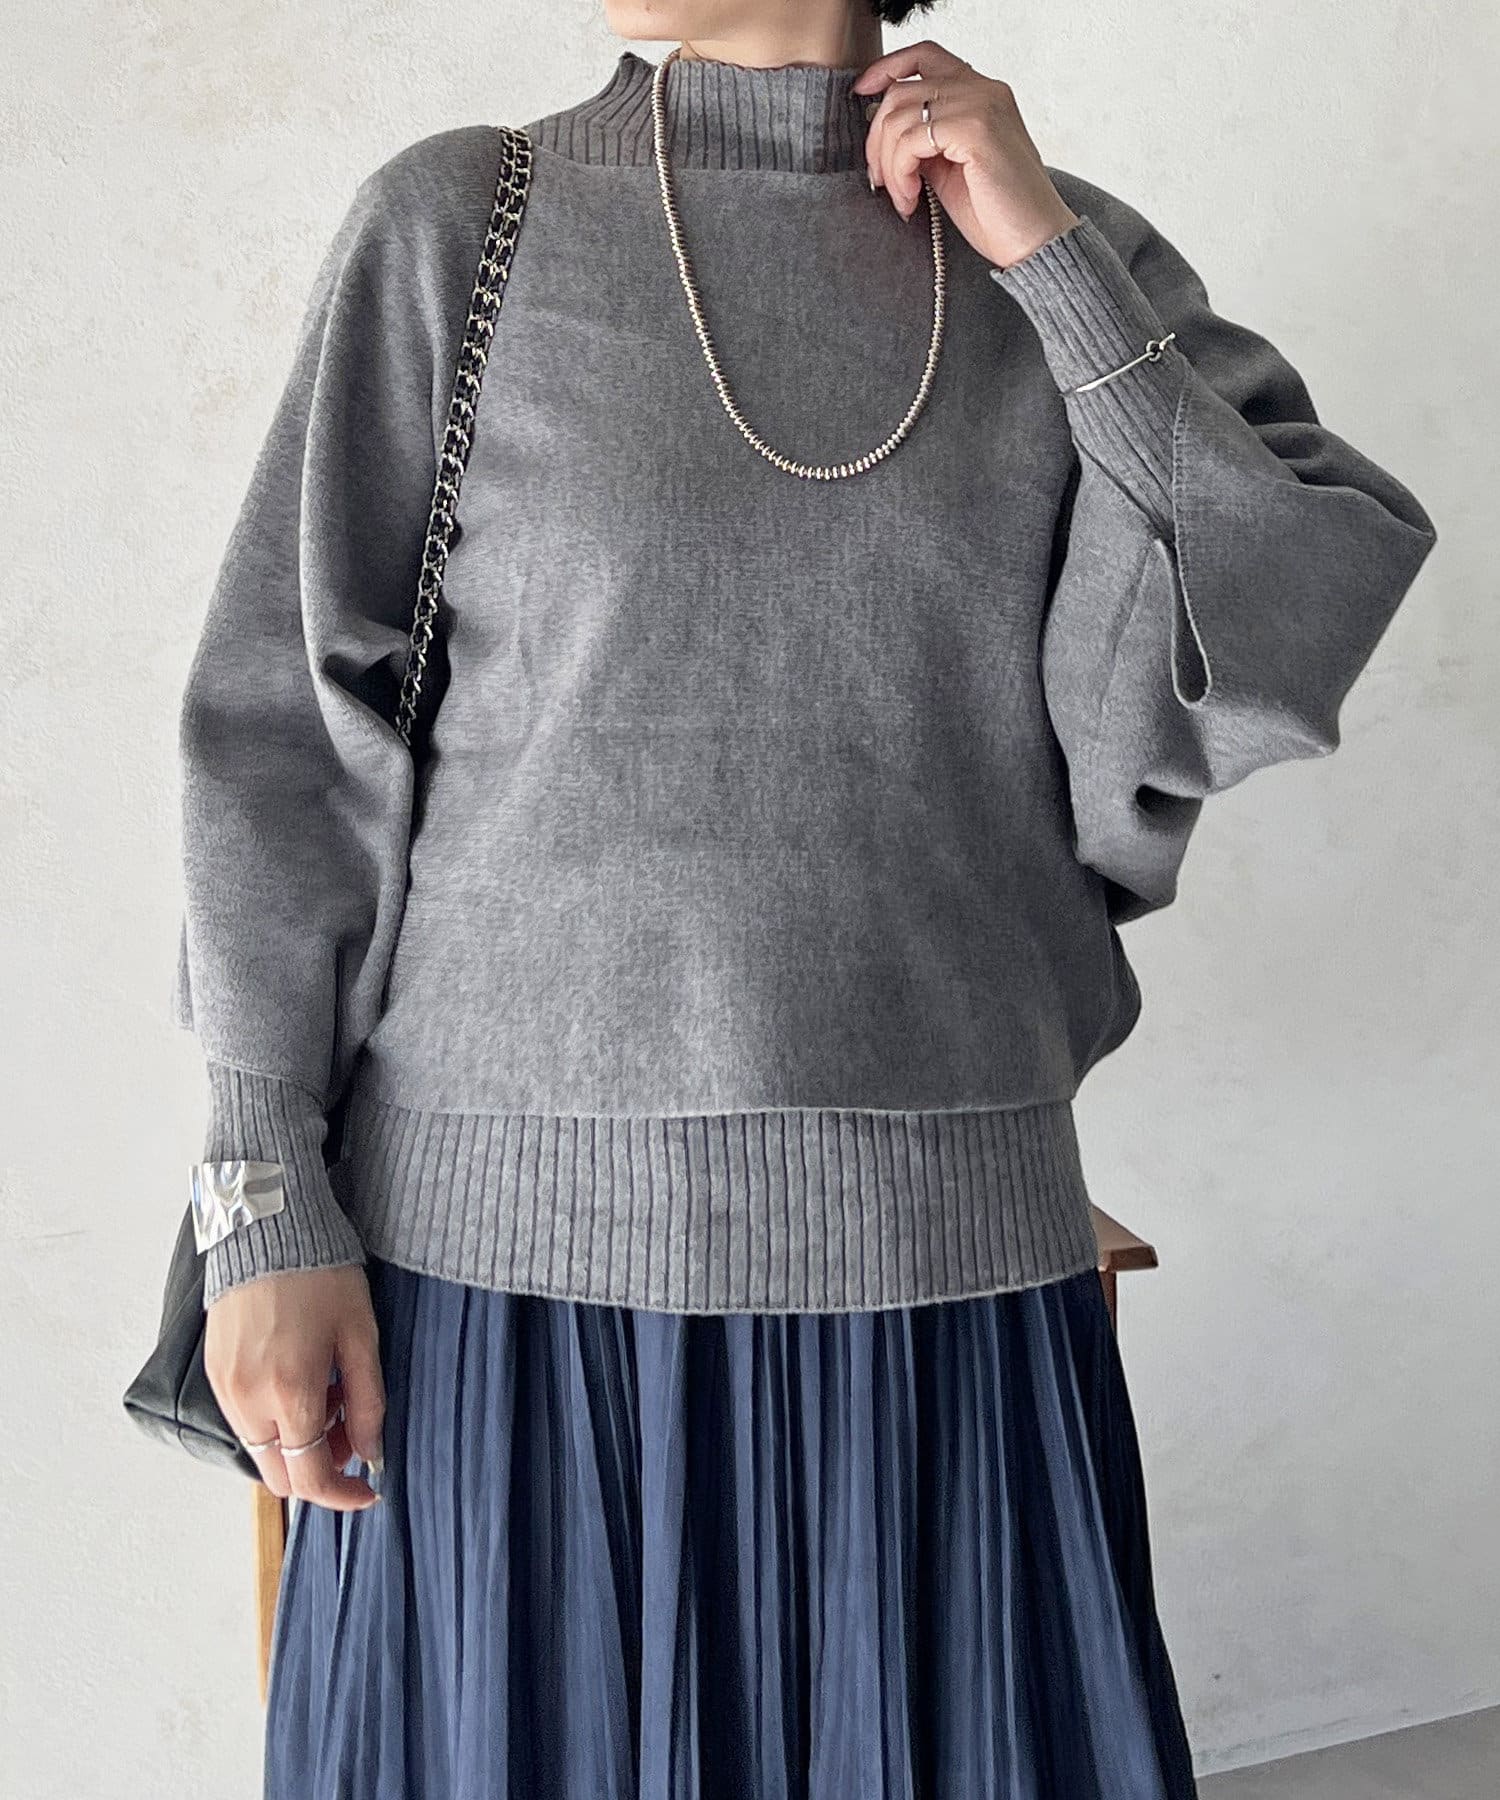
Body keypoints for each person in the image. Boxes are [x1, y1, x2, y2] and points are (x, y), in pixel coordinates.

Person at [170, 2, 1437, 1794]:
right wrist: (258, 1200)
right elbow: (283, 743)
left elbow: (1292, 603)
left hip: (944, 1295)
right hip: (489, 1308)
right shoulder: (463, 224)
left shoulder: (1061, 252)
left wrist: (1052, 270)